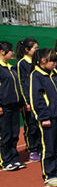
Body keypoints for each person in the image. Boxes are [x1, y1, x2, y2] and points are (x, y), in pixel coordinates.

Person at [30, 48, 57, 187]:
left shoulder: (55, 74)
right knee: (48, 147)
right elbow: (37, 98)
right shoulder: (36, 76)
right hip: (48, 118)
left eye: (55, 60)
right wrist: (43, 116)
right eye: (52, 60)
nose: (54, 63)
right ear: (42, 60)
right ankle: (49, 175)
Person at [0, 41, 27, 171]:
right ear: (2, 52)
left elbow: (18, 87)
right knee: (5, 135)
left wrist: (21, 102)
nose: (13, 53)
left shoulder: (11, 68)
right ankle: (6, 161)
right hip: (4, 107)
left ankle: (14, 159)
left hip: (15, 106)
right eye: (10, 50)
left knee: (14, 134)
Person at [16, 37, 41, 162]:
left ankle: (39, 147)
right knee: (30, 126)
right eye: (35, 48)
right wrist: (25, 101)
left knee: (38, 125)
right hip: (28, 101)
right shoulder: (22, 63)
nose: (37, 50)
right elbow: (21, 83)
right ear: (27, 49)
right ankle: (32, 149)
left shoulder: (36, 62)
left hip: (37, 100)